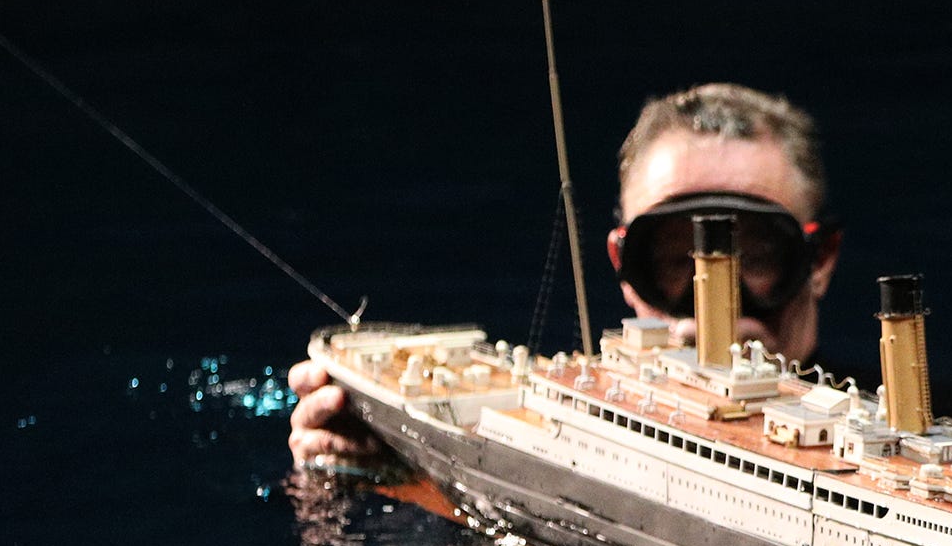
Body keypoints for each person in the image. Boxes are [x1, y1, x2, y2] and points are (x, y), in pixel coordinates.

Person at [287, 82, 841, 468]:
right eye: (676, 262)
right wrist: (374, 484)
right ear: (624, 266)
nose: (710, 314)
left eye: (757, 259)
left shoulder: (888, 416)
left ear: (818, 261)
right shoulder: (539, 424)